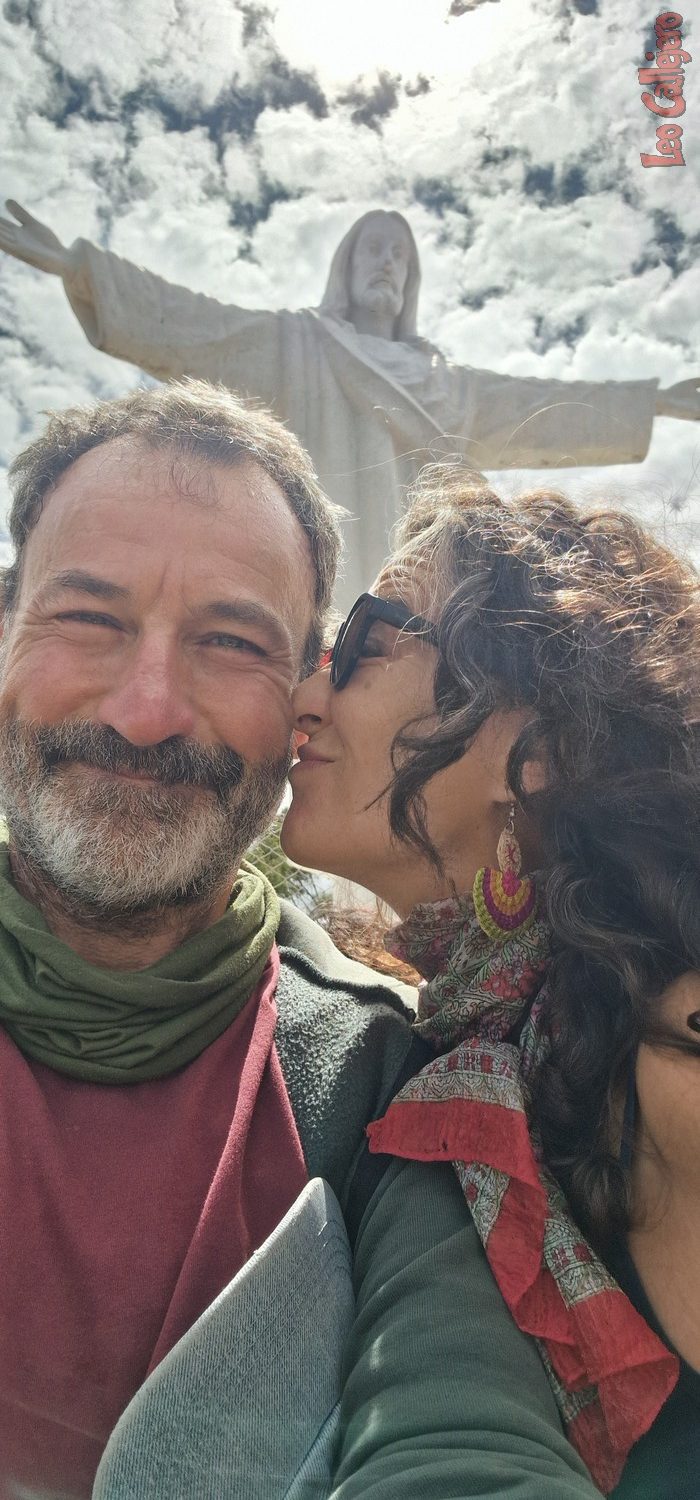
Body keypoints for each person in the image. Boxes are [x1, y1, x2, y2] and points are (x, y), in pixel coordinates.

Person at [0, 379, 601, 1500]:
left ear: (297, 698)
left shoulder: (393, 1087)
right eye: (87, 618)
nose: (144, 711)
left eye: (232, 642)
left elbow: (461, 1431)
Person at [282, 467, 700, 1497]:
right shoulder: (472, 1045)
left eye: (368, 639)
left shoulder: (669, 1042)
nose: (304, 695)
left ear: (540, 744)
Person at [1, 201, 698, 605]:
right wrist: (78, 268)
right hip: (327, 567)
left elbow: (539, 405)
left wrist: (654, 403)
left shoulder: (446, 384)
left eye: (400, 255)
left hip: (428, 580)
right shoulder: (299, 343)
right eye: (374, 249)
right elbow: (197, 326)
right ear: (346, 263)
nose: (387, 262)